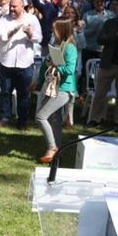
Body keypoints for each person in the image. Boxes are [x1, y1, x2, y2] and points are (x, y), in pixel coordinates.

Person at [0, 0, 42, 129]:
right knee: (5, 92)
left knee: (24, 94)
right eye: (10, 6)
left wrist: (30, 34)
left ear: (22, 6)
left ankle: (22, 121)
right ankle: (5, 117)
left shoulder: (32, 19)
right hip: (6, 62)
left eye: (14, 7)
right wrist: (9, 34)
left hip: (25, 63)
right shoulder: (4, 19)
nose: (11, 9)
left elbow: (39, 38)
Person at [36, 18, 79, 163]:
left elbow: (70, 70)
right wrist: (38, 81)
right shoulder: (57, 45)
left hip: (64, 89)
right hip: (54, 86)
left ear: (62, 30)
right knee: (55, 119)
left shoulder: (70, 48)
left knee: (41, 117)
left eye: (55, 29)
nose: (53, 32)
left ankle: (52, 147)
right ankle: (57, 151)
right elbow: (46, 64)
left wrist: (55, 65)